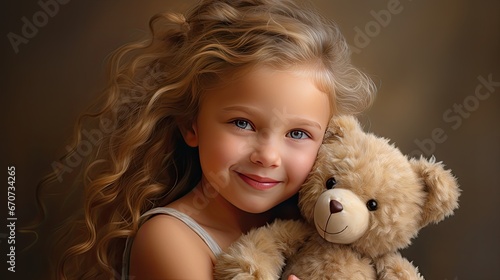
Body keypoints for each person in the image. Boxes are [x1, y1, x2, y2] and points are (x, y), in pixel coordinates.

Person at [43, 0, 376, 279]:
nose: (268, 156)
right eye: (242, 123)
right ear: (192, 126)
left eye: (298, 133)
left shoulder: (315, 227)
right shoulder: (169, 239)